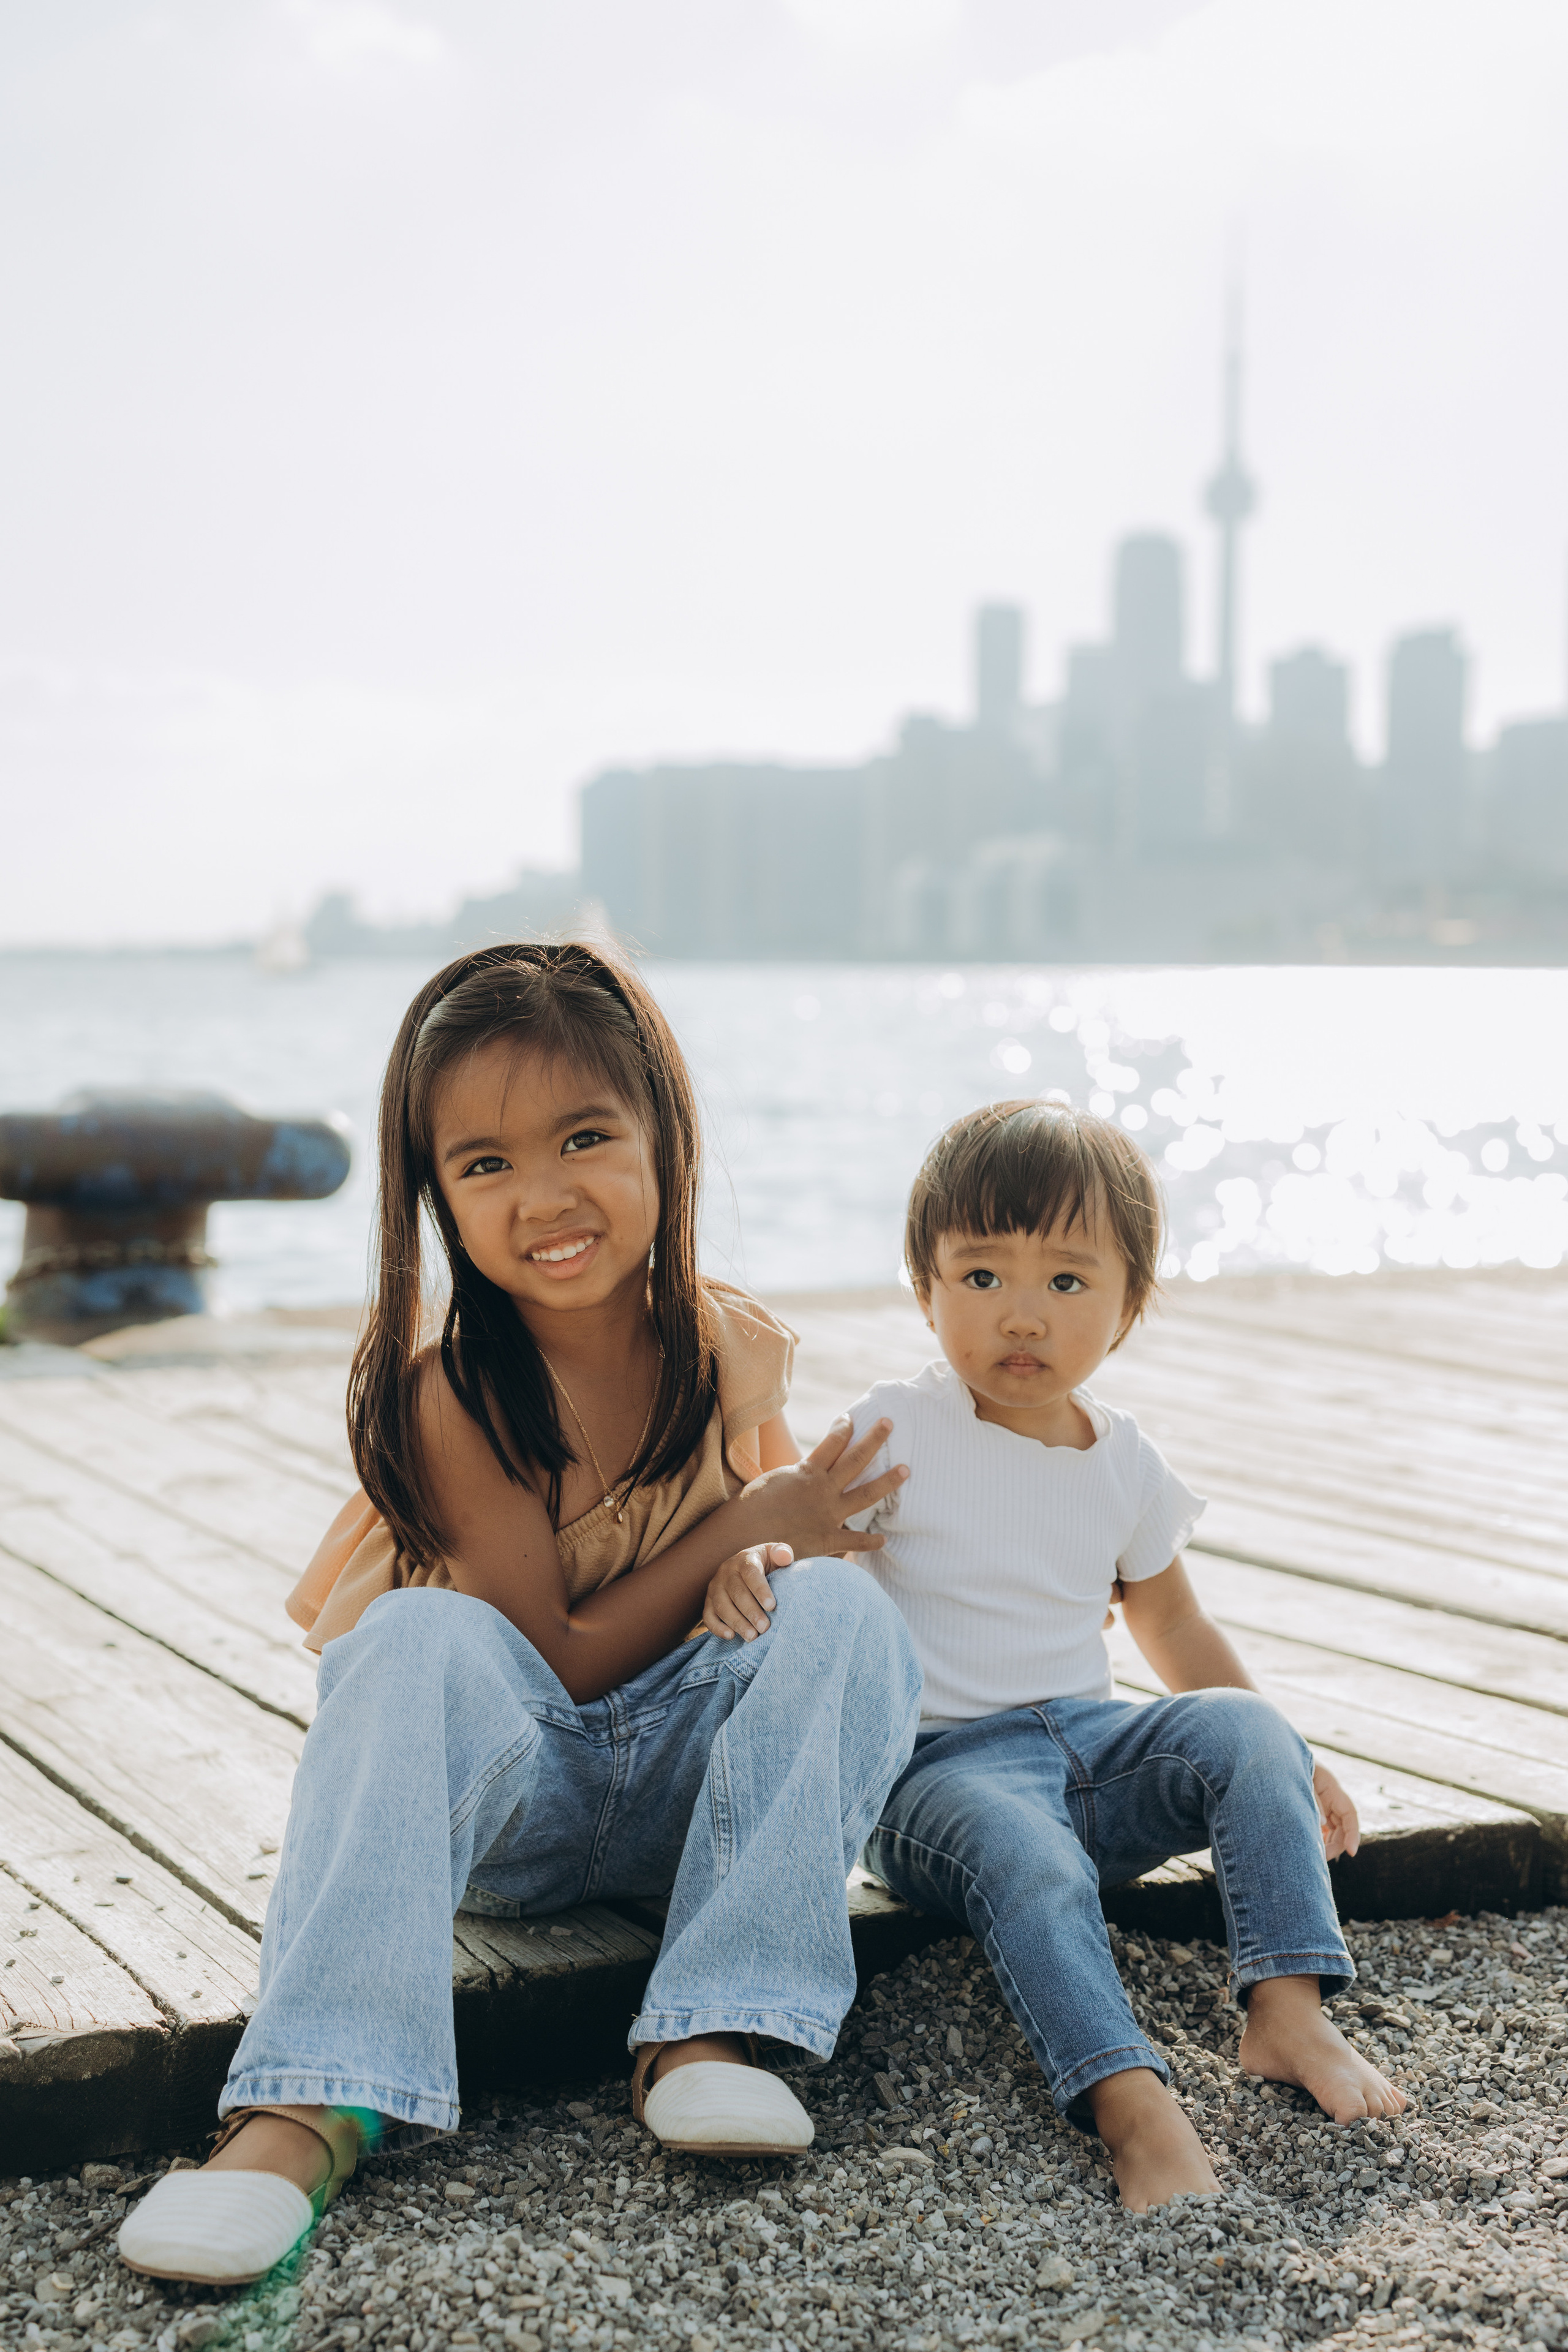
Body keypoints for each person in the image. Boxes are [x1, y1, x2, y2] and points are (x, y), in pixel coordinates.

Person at [119, 941, 921, 2287]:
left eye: (584, 1138)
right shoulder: (454, 1396)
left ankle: (710, 2030)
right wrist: (741, 1526)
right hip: (517, 1804)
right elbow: (553, 1652)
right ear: (432, 1195)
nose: (542, 1196)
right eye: (482, 1164)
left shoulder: (725, 1348)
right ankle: (309, 2102)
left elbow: (771, 1540)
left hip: (687, 1797)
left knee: (846, 1611)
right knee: (414, 1639)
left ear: (668, 1138)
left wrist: (763, 1563)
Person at [701, 1098, 1404, 2214]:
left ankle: (1288, 2011)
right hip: (933, 1773)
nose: (1020, 1316)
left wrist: (1289, 1754)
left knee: (1248, 1729)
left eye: (1066, 1283)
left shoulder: (1123, 1461)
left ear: (1128, 1306)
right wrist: (757, 1556)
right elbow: (802, 1533)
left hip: (1090, 1748)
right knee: (1030, 1858)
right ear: (924, 1286)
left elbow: (1174, 1628)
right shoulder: (899, 1427)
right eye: (981, 1278)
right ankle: (1132, 2105)